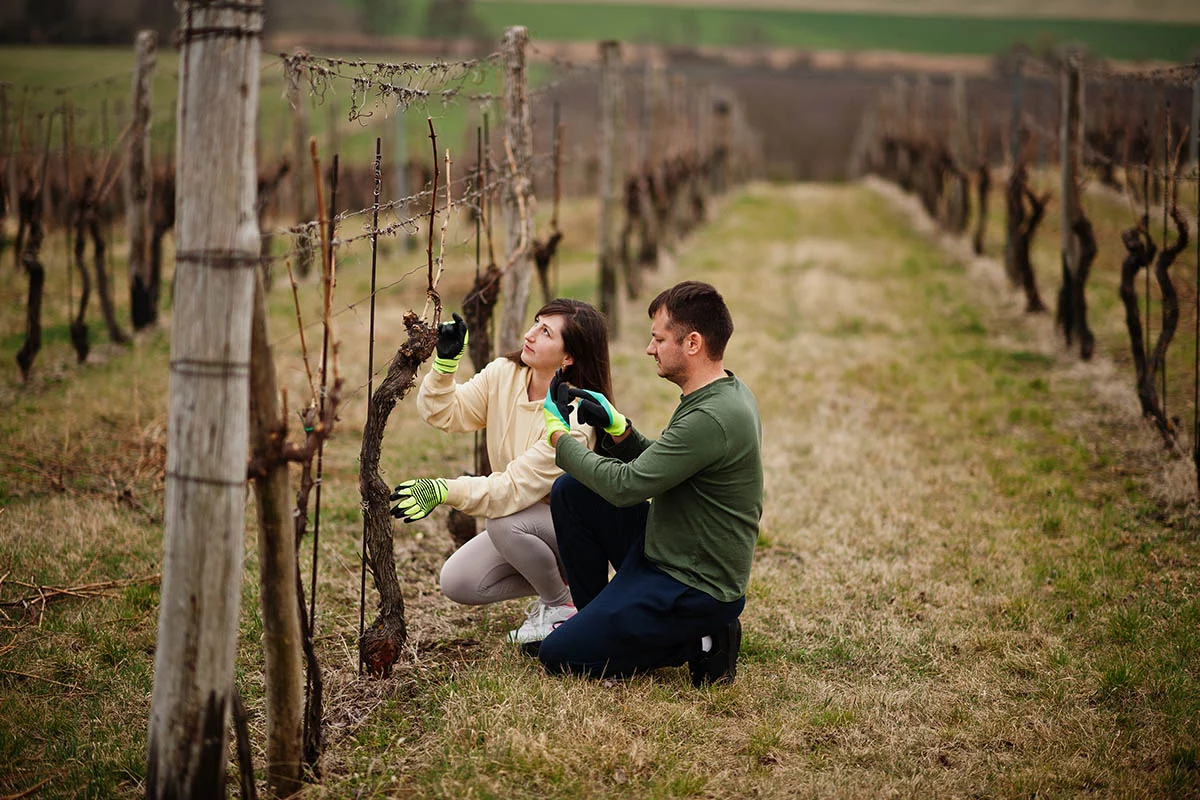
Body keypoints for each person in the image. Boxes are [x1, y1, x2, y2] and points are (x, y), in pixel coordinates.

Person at [539, 281, 763, 686]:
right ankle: (598, 626)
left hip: (693, 584)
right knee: (572, 493)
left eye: (658, 339)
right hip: (669, 547)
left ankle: (703, 638)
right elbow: (666, 464)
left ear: (692, 343)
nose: (649, 348)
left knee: (558, 657)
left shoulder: (711, 416)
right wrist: (619, 429)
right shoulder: (722, 392)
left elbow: (627, 487)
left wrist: (560, 439)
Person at [390, 299, 612, 648]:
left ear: (568, 357)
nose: (530, 334)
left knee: (503, 520)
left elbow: (510, 490)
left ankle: (562, 607)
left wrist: (443, 490)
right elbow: (446, 414)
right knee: (458, 580)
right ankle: (574, 590)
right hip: (528, 524)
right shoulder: (504, 374)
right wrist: (445, 366)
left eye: (545, 332)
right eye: (536, 322)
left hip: (575, 533)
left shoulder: (574, 420)